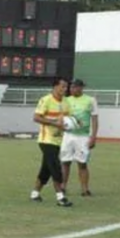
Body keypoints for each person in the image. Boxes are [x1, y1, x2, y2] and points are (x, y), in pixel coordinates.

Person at [30, 76, 73, 207]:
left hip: (59, 140)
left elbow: (68, 118)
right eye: (62, 86)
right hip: (46, 140)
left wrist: (74, 122)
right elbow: (36, 117)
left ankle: (35, 193)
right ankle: (60, 197)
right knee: (55, 166)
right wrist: (54, 123)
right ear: (54, 87)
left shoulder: (66, 102)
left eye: (66, 87)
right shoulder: (46, 100)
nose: (65, 89)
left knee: (46, 169)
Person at [61, 78, 99, 197]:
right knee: (65, 162)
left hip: (83, 137)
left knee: (82, 163)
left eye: (74, 87)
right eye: (71, 87)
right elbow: (62, 117)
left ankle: (84, 189)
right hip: (68, 136)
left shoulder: (90, 100)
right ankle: (62, 187)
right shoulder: (65, 100)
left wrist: (93, 137)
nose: (71, 89)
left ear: (81, 88)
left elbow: (95, 119)